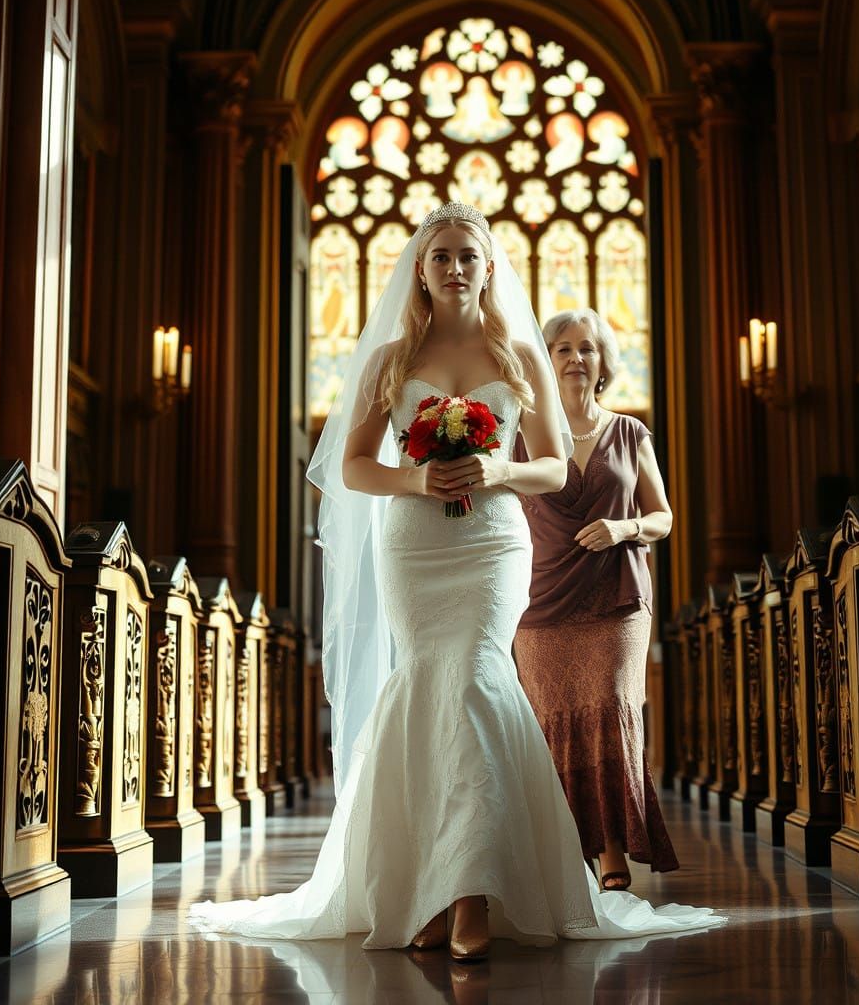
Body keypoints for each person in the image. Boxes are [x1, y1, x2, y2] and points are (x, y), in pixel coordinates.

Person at [189, 204, 722, 959]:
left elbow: (554, 465)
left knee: (475, 679)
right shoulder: (391, 360)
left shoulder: (518, 354)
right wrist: (416, 481)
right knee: (429, 685)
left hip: (493, 545)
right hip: (414, 545)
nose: (455, 268)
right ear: (421, 268)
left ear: (489, 266)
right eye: (440, 256)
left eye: (468, 255)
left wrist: (498, 468)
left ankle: (470, 890)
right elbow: (350, 467)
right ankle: (422, 887)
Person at [513, 308, 678, 890]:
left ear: (603, 361)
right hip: (541, 600)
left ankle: (611, 849)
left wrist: (622, 528)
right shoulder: (522, 437)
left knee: (609, 711)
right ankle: (564, 848)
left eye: (587, 348)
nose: (576, 358)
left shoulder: (630, 433)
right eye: (562, 348)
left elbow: (663, 517)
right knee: (551, 721)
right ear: (545, 360)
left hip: (617, 598)